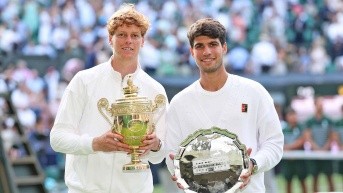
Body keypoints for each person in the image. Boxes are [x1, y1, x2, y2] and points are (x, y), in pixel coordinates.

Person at [50, 4, 168, 193]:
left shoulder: (155, 90)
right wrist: (94, 144)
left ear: (143, 41)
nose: (128, 40)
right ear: (110, 39)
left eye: (135, 35)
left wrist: (155, 145)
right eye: (121, 34)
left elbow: (160, 154)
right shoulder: (83, 81)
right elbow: (57, 139)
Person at [165, 18, 284, 192]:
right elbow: (172, 155)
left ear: (224, 47)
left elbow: (274, 143)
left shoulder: (254, 92)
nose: (207, 51)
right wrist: (182, 172)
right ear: (191, 51)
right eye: (200, 46)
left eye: (213, 44)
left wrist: (253, 164)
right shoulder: (179, 102)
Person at [303, 96, 335, 192]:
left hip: (327, 154)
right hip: (314, 154)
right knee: (315, 178)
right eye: (319, 104)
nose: (321, 106)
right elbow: (308, 137)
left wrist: (324, 149)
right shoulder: (310, 121)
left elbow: (331, 136)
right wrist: (317, 149)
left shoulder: (328, 120)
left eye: (322, 104)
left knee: (330, 178)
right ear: (315, 105)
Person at [280, 107, 308, 193]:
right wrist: (286, 148)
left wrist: (288, 147)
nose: (293, 117)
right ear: (287, 117)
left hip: (300, 160)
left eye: (294, 114)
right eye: (290, 115)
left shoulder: (301, 127)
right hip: (288, 161)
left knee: (302, 181)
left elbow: (302, 140)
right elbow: (280, 142)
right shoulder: (284, 129)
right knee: (288, 182)